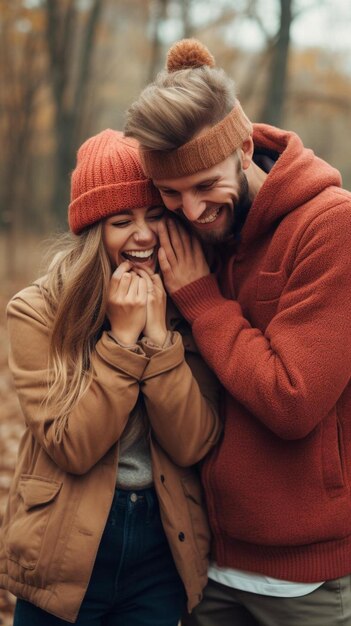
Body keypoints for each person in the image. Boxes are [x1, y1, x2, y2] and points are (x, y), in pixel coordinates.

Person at [124, 38, 351, 626]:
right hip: (206, 567)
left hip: (307, 583)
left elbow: (292, 399)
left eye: (205, 186)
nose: (192, 210)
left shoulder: (331, 227)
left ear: (244, 147)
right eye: (171, 193)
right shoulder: (190, 232)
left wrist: (202, 299)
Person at [0, 129, 222, 626]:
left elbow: (192, 444)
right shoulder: (38, 311)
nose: (142, 235)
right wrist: (122, 344)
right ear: (93, 232)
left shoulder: (190, 305)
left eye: (156, 217)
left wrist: (161, 340)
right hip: (63, 548)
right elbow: (73, 446)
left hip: (161, 548)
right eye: (122, 221)